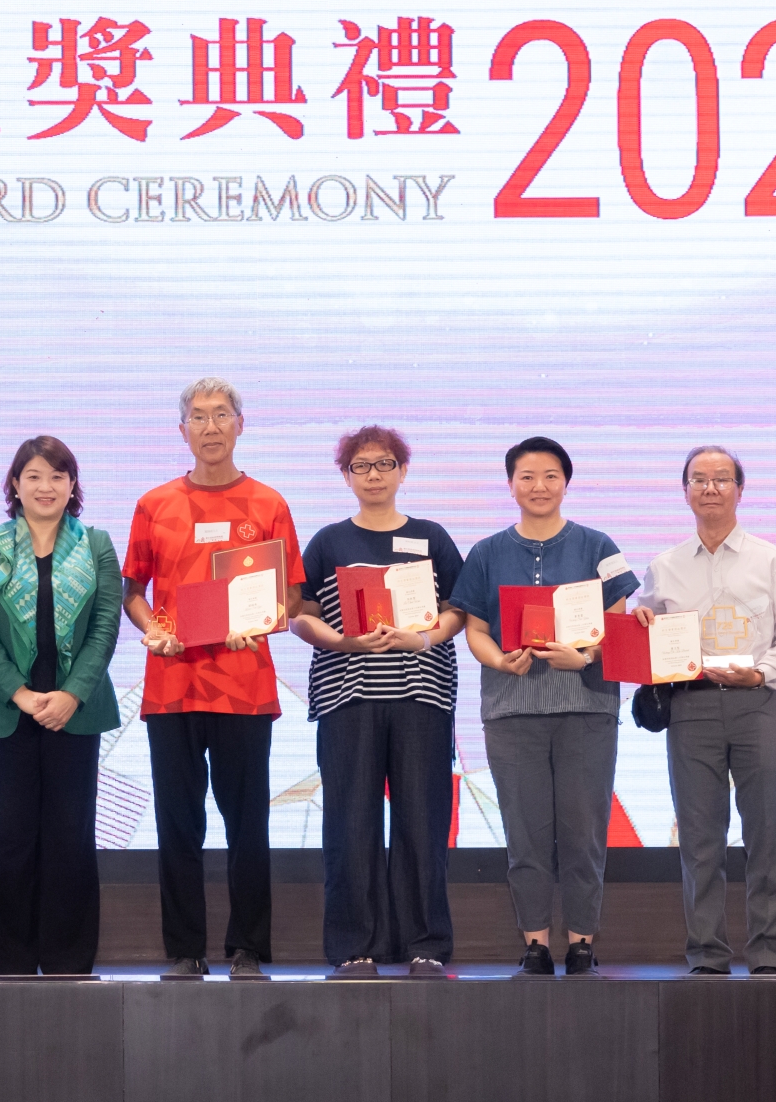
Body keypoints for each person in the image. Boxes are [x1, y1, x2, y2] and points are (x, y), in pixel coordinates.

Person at [122, 376, 305, 981]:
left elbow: (292, 597)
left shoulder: (269, 503)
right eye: (197, 417)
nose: (209, 427)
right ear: (182, 431)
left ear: (240, 425)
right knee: (178, 821)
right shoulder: (154, 505)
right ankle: (185, 950)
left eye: (221, 415)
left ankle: (248, 947)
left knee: (246, 820)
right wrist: (154, 629)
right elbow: (133, 593)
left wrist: (260, 623)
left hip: (244, 686)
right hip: (171, 684)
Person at [456, 436, 638, 977]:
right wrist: (500, 660)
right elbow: (476, 630)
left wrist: (584, 657)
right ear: (510, 483)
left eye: (551, 476)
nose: (539, 486)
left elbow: (618, 627)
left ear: (566, 482)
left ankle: (582, 941)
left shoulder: (598, 545)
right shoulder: (487, 552)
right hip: (512, 710)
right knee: (525, 831)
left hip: (587, 707)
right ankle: (535, 943)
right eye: (527, 476)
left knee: (584, 830)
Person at [290, 425, 466, 980]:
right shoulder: (327, 541)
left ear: (403, 471)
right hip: (348, 695)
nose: (373, 475)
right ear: (346, 475)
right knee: (350, 822)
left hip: (422, 694)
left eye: (384, 464)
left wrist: (422, 638)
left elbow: (459, 610)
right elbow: (297, 615)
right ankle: (353, 944)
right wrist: (342, 640)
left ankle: (425, 943)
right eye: (361, 466)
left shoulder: (432, 536)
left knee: (423, 819)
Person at [630, 445, 776, 977]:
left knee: (767, 834)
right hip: (692, 706)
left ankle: (770, 954)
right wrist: (640, 621)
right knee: (701, 839)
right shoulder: (663, 566)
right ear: (684, 490)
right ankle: (707, 955)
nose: (710, 488)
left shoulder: (770, 559)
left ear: (739, 488)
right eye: (699, 479)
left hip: (756, 702)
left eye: (722, 479)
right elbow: (648, 639)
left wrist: (758, 672)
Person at [0, 435, 124, 977]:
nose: (45, 486)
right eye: (33, 475)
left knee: (70, 836)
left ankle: (70, 959)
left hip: (75, 710)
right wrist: (21, 693)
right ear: (14, 485)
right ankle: (10, 960)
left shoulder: (96, 545)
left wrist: (72, 693)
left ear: (72, 485)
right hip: (6, 710)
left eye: (57, 476)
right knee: (7, 837)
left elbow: (105, 627)